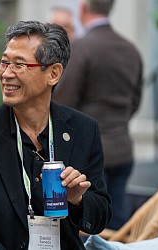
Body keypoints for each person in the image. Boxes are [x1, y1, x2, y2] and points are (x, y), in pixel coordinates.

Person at [0, 20, 112, 249]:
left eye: (19, 65)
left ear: (53, 73)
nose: (6, 74)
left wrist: (78, 199)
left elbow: (100, 217)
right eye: (3, 62)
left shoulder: (83, 130)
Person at [52, 0, 143, 230]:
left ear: (83, 9)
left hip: (89, 154)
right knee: (118, 222)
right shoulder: (130, 49)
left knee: (88, 225)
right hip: (123, 148)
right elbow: (135, 101)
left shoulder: (81, 48)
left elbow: (63, 103)